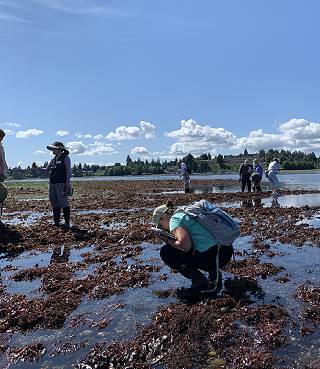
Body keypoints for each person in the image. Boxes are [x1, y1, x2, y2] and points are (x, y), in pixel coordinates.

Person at [152, 200, 234, 296]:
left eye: (161, 226)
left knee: (166, 252)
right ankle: (212, 273)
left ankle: (200, 279)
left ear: (164, 217)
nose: (164, 229)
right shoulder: (184, 212)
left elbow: (185, 246)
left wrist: (167, 240)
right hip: (225, 250)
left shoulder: (174, 220)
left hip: (216, 257)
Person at [43, 141, 72, 229]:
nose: (52, 150)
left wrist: (67, 184)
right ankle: (56, 222)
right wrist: (37, 167)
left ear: (59, 149)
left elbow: (68, 172)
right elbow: (46, 169)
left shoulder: (66, 158)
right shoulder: (53, 159)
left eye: (53, 149)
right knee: (53, 200)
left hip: (61, 183)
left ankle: (67, 223)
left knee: (63, 201)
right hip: (52, 183)